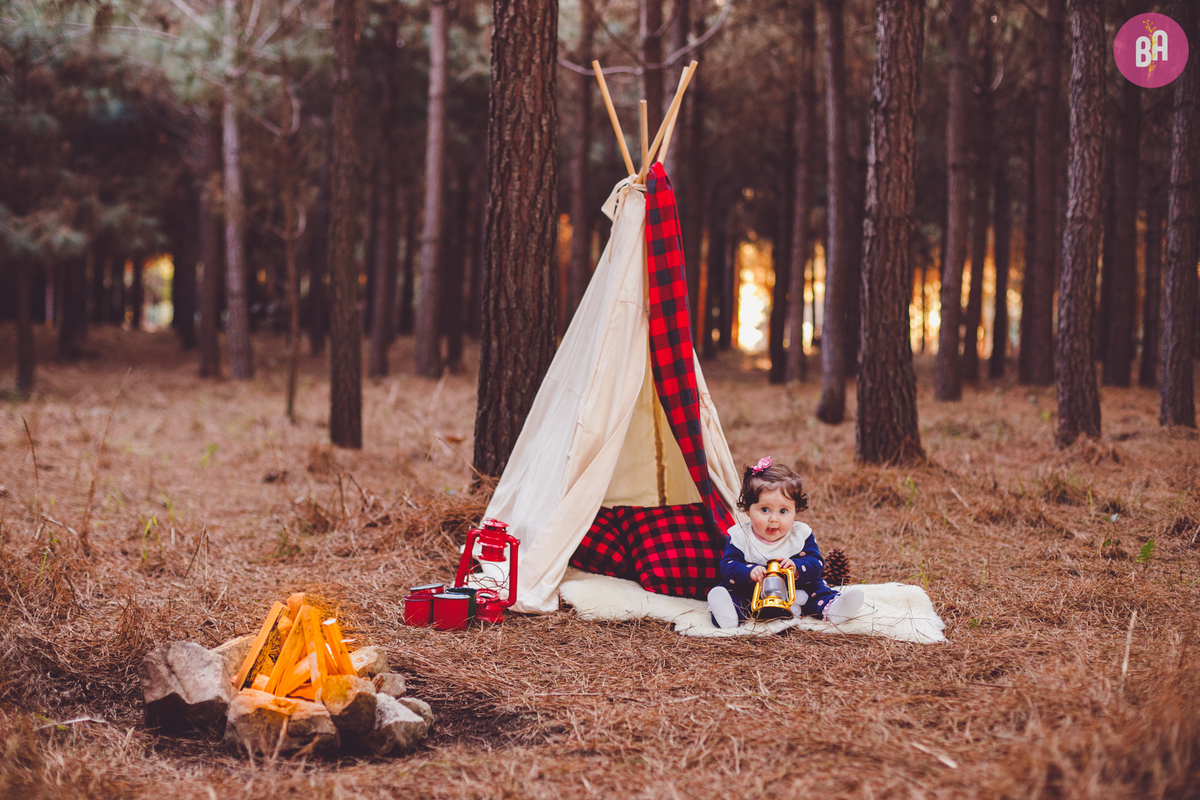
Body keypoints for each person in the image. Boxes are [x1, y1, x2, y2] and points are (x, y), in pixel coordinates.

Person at [707, 457, 864, 629]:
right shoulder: (740, 536)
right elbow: (728, 565)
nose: (773, 519)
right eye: (764, 510)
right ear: (747, 509)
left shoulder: (800, 535)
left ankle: (835, 609)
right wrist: (749, 571)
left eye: (783, 511)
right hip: (754, 593)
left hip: (798, 590)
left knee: (817, 589)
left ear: (796, 510)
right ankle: (728, 614)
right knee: (734, 593)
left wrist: (797, 567)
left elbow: (816, 562)